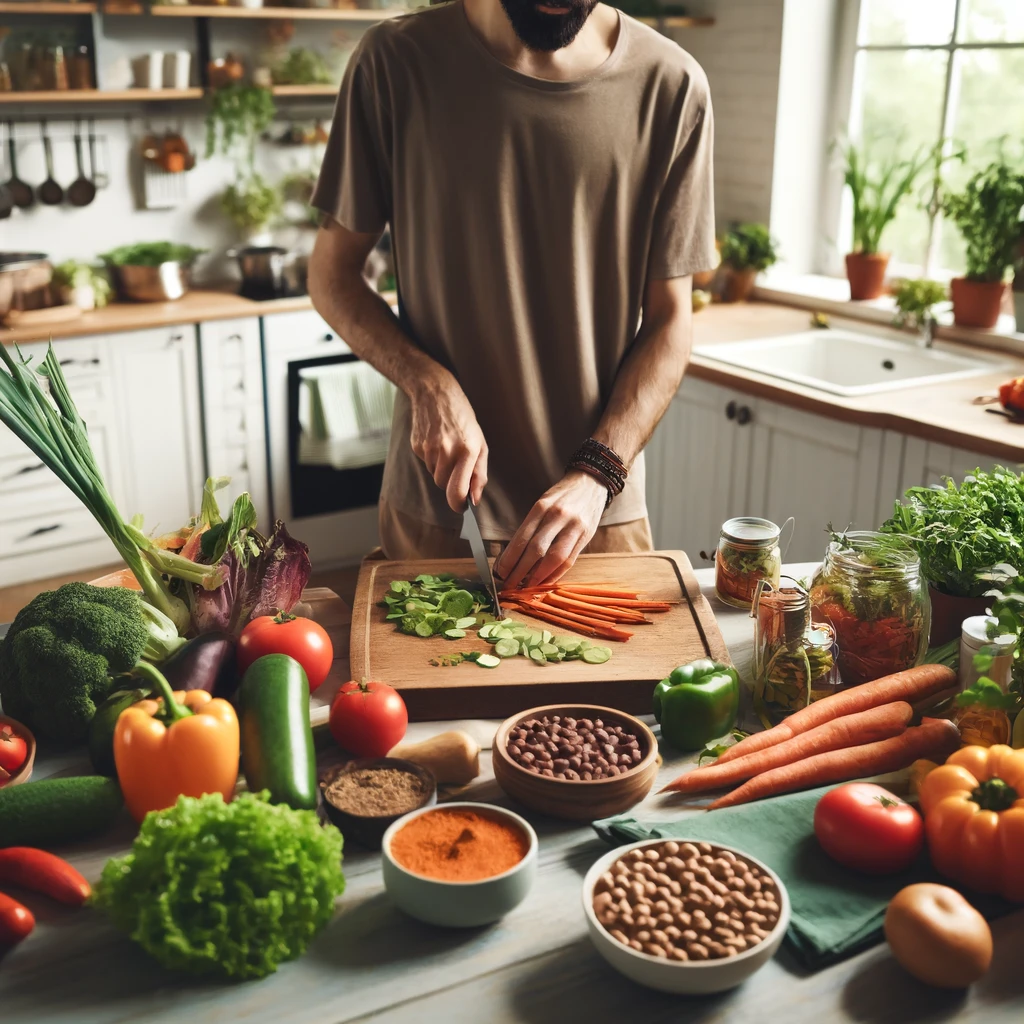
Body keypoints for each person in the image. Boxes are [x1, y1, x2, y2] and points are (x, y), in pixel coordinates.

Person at [308, 0, 716, 589]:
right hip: (438, 507)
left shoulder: (673, 86)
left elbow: (671, 321)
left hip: (595, 514)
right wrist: (428, 383)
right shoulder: (394, 63)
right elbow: (332, 275)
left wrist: (596, 475)